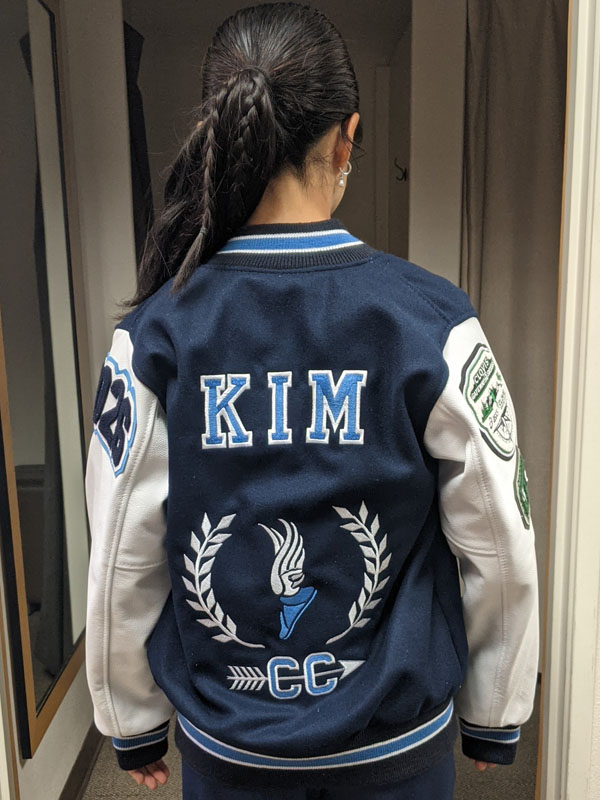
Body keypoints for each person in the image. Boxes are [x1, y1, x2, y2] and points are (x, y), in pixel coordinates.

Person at [84, 3, 539, 798]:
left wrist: (131, 719)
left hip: (234, 750)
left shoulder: (154, 336)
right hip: (394, 751)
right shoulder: (432, 320)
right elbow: (498, 535)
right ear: (346, 137)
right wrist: (496, 709)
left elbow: (123, 550)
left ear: (217, 133)